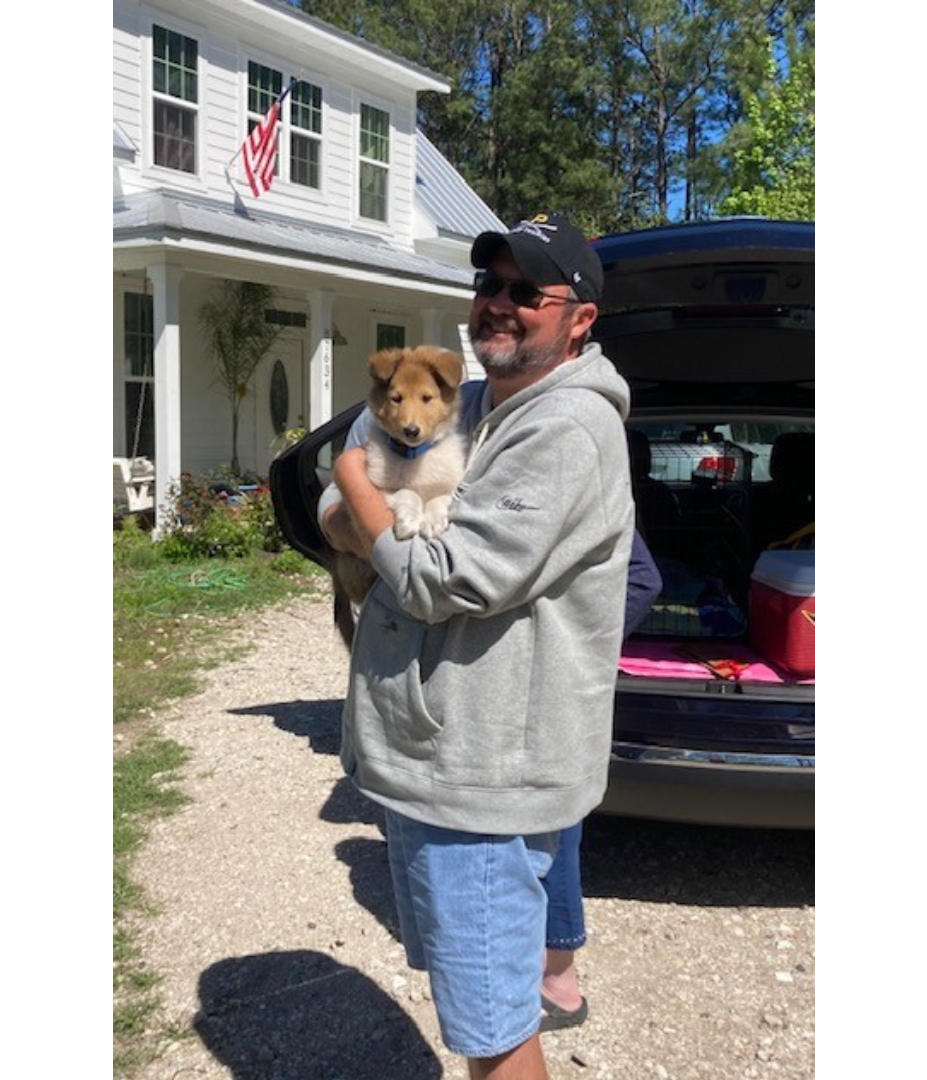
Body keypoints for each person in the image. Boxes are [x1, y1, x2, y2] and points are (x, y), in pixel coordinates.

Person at [319, 211, 633, 1079]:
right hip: (440, 758)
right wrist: (353, 504)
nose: (497, 303)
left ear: (579, 319)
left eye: (526, 291)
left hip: (487, 779)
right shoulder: (480, 404)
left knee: (497, 1037)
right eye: (488, 284)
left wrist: (351, 486)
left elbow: (439, 578)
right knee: (480, 1014)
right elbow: (346, 512)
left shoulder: (564, 429)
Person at [539, 531, 659, 1031]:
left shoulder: (566, 459)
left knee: (555, 821)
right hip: (541, 677)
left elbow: (642, 580)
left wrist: (580, 643)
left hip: (553, 677)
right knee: (545, 821)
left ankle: (559, 981)